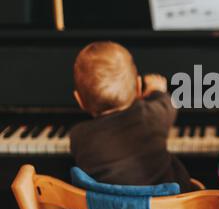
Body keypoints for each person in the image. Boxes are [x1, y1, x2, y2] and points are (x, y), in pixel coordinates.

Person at [70, 41, 194, 193]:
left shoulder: (78, 136)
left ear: (79, 100)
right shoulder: (151, 116)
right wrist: (157, 90)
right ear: (138, 86)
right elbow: (168, 104)